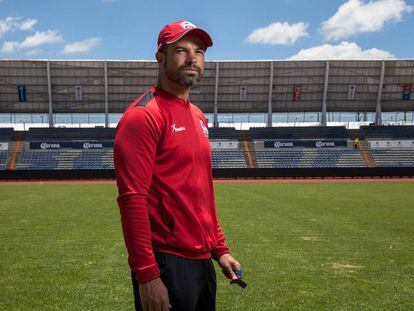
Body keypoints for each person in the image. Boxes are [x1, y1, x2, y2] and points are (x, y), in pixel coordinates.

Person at [114, 20, 241, 311]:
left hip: (202, 262)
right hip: (166, 262)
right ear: (161, 58)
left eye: (199, 51)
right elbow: (132, 199)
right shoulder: (143, 116)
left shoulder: (197, 115)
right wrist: (147, 275)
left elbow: (201, 194)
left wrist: (220, 250)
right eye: (181, 50)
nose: (192, 57)